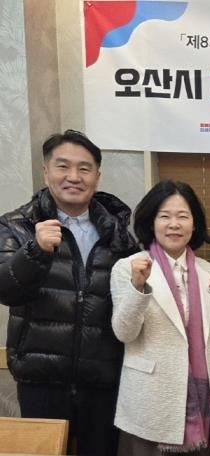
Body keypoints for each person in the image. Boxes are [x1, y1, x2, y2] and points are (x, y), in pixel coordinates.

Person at [0, 129, 137, 455]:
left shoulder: (118, 234)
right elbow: (6, 290)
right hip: (41, 377)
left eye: (84, 168)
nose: (74, 177)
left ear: (97, 177)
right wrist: (35, 251)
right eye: (63, 166)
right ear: (46, 172)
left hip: (102, 378)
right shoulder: (17, 225)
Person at [110, 180, 210, 455]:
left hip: (202, 399)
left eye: (183, 216)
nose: (174, 224)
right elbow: (124, 332)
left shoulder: (209, 272)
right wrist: (137, 287)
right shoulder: (128, 267)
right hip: (150, 397)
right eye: (164, 216)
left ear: (194, 223)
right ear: (151, 222)